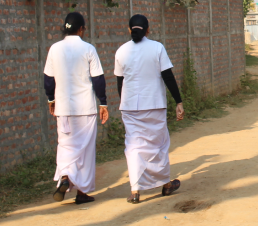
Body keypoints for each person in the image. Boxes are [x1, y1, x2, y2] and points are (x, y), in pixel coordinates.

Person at [114, 15, 184, 204]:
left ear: (129, 30)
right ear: (148, 30)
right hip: (154, 104)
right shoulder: (157, 48)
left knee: (134, 147)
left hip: (129, 107)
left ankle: (135, 190)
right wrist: (178, 101)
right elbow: (168, 76)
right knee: (159, 145)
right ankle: (165, 184)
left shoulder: (121, 51)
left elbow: (120, 83)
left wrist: (126, 103)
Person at [43, 12, 108, 205]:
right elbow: (98, 79)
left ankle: (64, 176)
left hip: (64, 108)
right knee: (85, 150)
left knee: (65, 145)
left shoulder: (54, 49)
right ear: (81, 29)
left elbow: (48, 80)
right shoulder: (88, 49)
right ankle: (82, 193)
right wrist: (103, 102)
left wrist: (51, 100)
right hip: (86, 108)